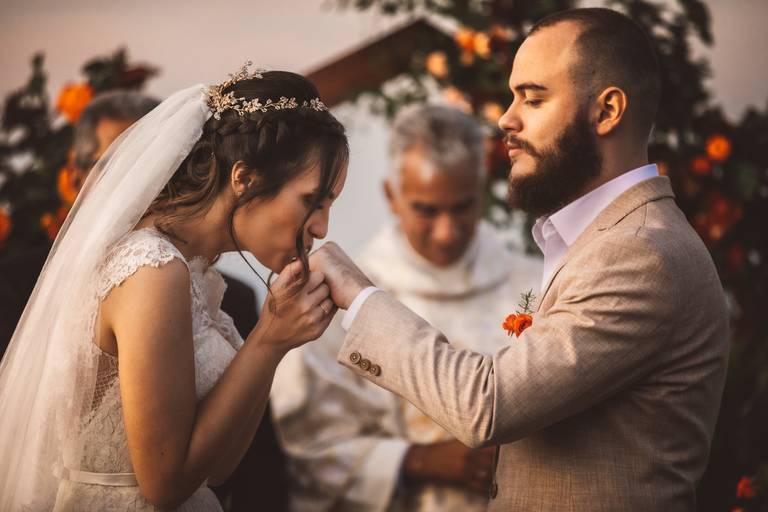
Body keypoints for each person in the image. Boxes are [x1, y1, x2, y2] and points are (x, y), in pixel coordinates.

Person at [309, 8, 729, 511]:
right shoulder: (599, 241)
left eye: (532, 98)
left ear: (607, 111)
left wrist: (357, 294)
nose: (506, 119)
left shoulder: (640, 252)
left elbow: (488, 405)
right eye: (512, 97)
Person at [0, 66, 349, 511]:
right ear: (245, 179)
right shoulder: (152, 269)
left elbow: (218, 469)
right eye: (312, 202)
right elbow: (165, 484)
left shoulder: (198, 273)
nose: (321, 228)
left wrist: (276, 341)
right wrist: (266, 340)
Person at [271, 104, 542, 511]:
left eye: (463, 206)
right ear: (391, 196)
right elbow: (309, 444)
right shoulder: (337, 298)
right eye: (426, 210)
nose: (446, 232)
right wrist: (414, 460)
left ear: (483, 189)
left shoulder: (534, 284)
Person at [0, 91, 160, 353]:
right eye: (119, 165)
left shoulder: (223, 296)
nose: (139, 183)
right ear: (76, 177)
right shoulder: (11, 287)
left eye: (153, 165)